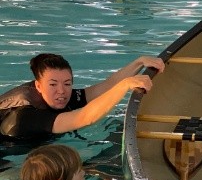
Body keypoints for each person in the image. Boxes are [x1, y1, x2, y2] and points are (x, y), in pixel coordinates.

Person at [0, 52, 160, 142]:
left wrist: (139, 62)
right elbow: (85, 117)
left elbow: (104, 88)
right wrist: (125, 85)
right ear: (38, 86)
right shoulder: (25, 116)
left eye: (67, 83)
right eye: (53, 84)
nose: (61, 91)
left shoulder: (58, 96)